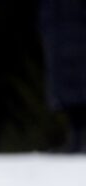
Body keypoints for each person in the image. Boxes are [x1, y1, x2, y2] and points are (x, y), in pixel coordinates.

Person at [40, 0, 86, 153]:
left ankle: (78, 139)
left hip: (73, 27)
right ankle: (75, 138)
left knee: (78, 85)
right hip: (59, 28)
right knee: (69, 88)